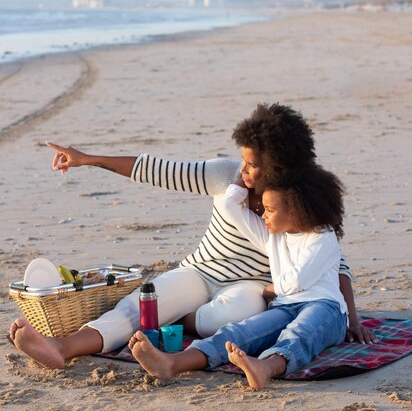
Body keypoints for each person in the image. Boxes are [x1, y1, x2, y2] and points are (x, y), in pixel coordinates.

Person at [9, 103, 373, 370]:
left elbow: (332, 259)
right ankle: (62, 347)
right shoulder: (223, 176)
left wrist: (351, 318)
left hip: (251, 288)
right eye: (242, 161)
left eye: (253, 165)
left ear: (279, 167)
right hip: (200, 272)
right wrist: (87, 159)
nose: (243, 170)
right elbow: (156, 170)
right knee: (140, 306)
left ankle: (180, 326)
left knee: (233, 315)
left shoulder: (300, 202)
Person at [128, 165, 351, 389]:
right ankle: (172, 363)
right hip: (284, 306)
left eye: (269, 210)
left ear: (295, 211)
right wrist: (244, 176)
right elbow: (229, 206)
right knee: (240, 331)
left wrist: (268, 291)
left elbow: (297, 281)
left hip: (326, 307)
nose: (263, 215)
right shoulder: (272, 235)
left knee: (300, 333)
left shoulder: (322, 235)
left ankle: (266, 368)